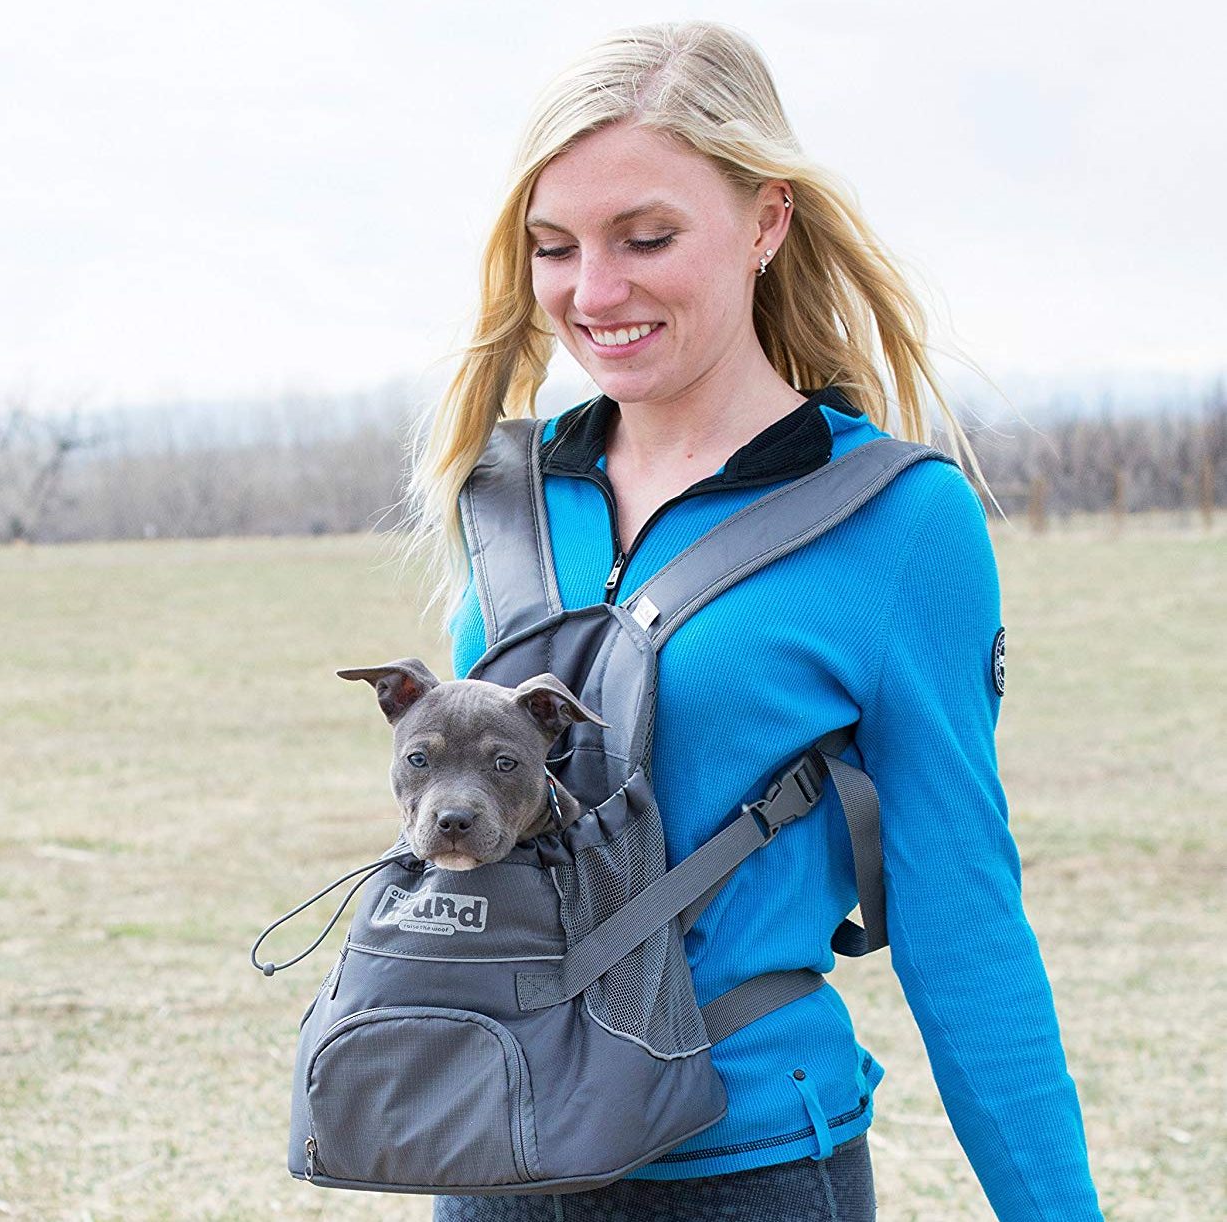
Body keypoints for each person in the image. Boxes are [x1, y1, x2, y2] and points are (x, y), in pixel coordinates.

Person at [401, 19, 1103, 1222]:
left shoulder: (895, 523)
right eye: (555, 247)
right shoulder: (512, 497)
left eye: (648, 237)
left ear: (767, 222)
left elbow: (960, 914)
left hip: (750, 1166)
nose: (595, 291)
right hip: (501, 1151)